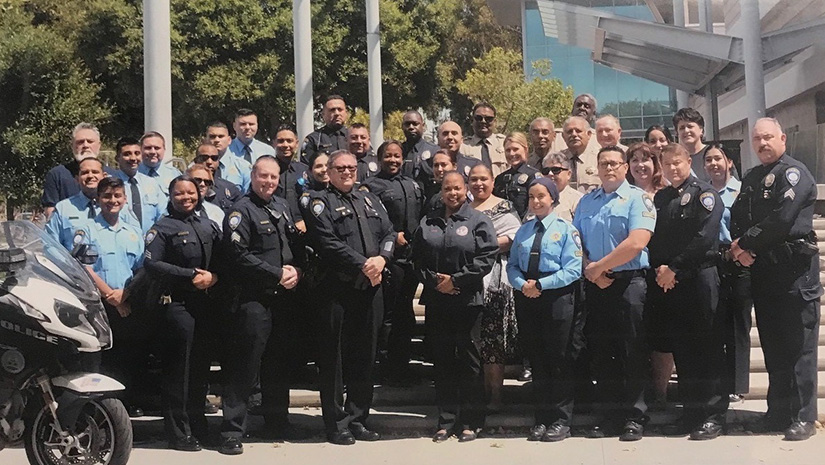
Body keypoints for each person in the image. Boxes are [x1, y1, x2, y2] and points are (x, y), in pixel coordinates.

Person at [732, 118, 821, 441]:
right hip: (764, 272)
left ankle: (803, 417)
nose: (762, 143)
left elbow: (782, 219)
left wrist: (746, 243)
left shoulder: (794, 173)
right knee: (773, 347)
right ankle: (778, 412)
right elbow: (737, 215)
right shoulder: (753, 177)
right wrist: (739, 247)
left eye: (768, 137)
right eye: (757, 139)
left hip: (795, 274)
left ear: (782, 138)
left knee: (800, 347)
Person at [303, 150, 396, 445]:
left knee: (365, 356)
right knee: (335, 359)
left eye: (351, 168)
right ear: (328, 171)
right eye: (340, 168)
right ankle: (336, 423)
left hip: (371, 287)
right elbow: (327, 242)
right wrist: (363, 264)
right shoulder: (320, 202)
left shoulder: (369, 199)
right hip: (336, 289)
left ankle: (358, 418)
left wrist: (382, 259)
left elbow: (390, 232)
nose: (347, 172)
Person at [218, 156, 305, 455]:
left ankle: (277, 421)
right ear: (253, 176)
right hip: (253, 299)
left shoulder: (281, 206)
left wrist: (297, 271)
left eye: (273, 177)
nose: (269, 182)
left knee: (278, 363)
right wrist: (277, 274)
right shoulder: (241, 210)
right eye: (263, 176)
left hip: (283, 299)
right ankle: (231, 430)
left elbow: (292, 247)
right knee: (245, 365)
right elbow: (237, 255)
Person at [574, 145, 656, 441]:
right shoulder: (586, 202)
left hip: (629, 283)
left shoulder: (639, 199)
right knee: (602, 352)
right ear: (597, 168)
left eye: (614, 163)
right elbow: (575, 241)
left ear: (625, 167)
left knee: (631, 351)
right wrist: (590, 270)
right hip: (596, 286)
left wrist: (599, 267)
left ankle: (634, 417)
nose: (609, 168)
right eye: (603, 163)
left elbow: (637, 242)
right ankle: (609, 416)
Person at [648, 144, 728, 440]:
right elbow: (655, 239)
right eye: (666, 164)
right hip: (671, 281)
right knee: (683, 349)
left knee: (706, 347)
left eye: (677, 162)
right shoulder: (663, 197)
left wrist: (675, 267)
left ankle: (713, 415)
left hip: (700, 278)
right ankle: (691, 413)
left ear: (688, 161)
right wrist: (660, 268)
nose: (672, 169)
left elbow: (704, 238)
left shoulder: (704, 194)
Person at [412, 171, 498, 443]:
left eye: (457, 188)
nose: (452, 193)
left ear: (466, 190)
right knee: (443, 361)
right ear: (441, 191)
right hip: (438, 300)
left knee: (469, 362)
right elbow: (415, 259)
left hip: (468, 301)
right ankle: (446, 420)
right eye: (447, 189)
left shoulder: (478, 221)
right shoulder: (429, 222)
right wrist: (436, 281)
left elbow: (487, 257)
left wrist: (457, 281)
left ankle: (471, 421)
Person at [143, 175, 222, 452]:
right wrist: (190, 276)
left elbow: (223, 258)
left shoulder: (207, 224)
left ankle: (199, 427)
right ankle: (179, 432)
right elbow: (152, 265)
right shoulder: (162, 228)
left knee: (200, 369)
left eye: (191, 192)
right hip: (177, 304)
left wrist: (214, 277)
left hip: (205, 305)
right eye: (179, 194)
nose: (186, 197)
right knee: (180, 370)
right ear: (170, 196)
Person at [507, 177, 583, 442]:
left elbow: (573, 269)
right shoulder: (523, 231)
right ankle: (542, 418)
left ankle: (561, 419)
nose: (536, 201)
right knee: (537, 359)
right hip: (528, 297)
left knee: (558, 359)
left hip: (557, 297)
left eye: (541, 196)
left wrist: (541, 284)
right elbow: (512, 265)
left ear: (552, 198)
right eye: (532, 196)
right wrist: (522, 285)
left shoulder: (565, 229)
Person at [73, 176, 147, 419]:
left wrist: (125, 295)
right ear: (98, 199)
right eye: (107, 196)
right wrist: (111, 296)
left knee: (129, 360)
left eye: (117, 196)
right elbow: (85, 268)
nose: (112, 201)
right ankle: (101, 416)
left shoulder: (134, 232)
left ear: (125, 200)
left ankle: (126, 415)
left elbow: (141, 268)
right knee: (104, 363)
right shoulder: (87, 231)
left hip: (128, 304)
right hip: (99, 307)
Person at [363, 141, 424, 385]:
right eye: (388, 156)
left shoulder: (412, 184)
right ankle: (384, 365)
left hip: (411, 259)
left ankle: (402, 365)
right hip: (388, 259)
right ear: (379, 159)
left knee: (405, 313)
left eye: (397, 156)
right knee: (387, 315)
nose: (393, 160)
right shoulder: (371, 186)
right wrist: (392, 236)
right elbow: (370, 222)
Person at [468, 164, 522, 411]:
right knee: (470, 341)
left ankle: (495, 396)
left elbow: (513, 237)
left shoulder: (504, 207)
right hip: (467, 281)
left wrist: (476, 247)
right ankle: (473, 397)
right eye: (474, 179)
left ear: (492, 181)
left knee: (493, 342)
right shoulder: (461, 207)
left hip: (494, 283)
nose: (479, 183)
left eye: (483, 179)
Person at [704, 142, 752, 403]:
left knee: (738, 324)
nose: (713, 164)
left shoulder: (741, 191)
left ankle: (737, 384)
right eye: (708, 160)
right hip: (713, 259)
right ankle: (718, 380)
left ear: (729, 162)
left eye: (718, 159)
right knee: (715, 323)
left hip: (738, 258)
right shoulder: (704, 193)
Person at [624, 142, 670, 409]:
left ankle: (661, 393)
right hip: (632, 274)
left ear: (655, 163)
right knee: (637, 335)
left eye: (646, 159)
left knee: (662, 336)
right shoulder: (622, 194)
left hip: (662, 272)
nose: (640, 165)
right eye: (634, 160)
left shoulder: (665, 193)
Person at [46, 157, 111, 250]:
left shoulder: (117, 207)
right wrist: (67, 263)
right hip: (73, 264)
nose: (90, 176)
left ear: (104, 176)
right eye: (85, 173)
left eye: (95, 172)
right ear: (77, 179)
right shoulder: (63, 208)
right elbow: (50, 245)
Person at [42, 122, 104, 219]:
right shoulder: (57, 175)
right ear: (72, 146)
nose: (85, 145)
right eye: (80, 142)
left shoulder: (112, 175)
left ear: (99, 145)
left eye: (90, 141)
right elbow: (51, 214)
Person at [111, 137, 166, 234]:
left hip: (149, 241)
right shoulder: (110, 183)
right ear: (117, 158)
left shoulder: (152, 183)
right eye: (127, 154)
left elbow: (162, 215)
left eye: (137, 153)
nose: (133, 158)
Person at [413, 122, 479, 196]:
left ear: (461, 139)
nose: (450, 137)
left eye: (454, 133)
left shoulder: (474, 165)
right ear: (438, 138)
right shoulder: (426, 165)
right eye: (445, 134)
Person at [493, 132, 541, 219]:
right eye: (508, 150)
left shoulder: (533, 176)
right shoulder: (500, 179)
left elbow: (537, 206)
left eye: (516, 149)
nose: (511, 153)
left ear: (526, 150)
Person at [271, 126, 309, 231]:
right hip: (276, 227)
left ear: (296, 143)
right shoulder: (266, 170)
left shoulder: (304, 170)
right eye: (281, 141)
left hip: (304, 230)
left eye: (289, 141)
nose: (285, 145)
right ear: (273, 143)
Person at [193, 142, 243, 211]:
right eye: (204, 158)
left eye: (214, 158)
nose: (209, 162)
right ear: (195, 161)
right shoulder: (184, 187)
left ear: (218, 161)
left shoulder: (230, 189)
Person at [301, 95, 349, 164]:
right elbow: (305, 166)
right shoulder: (314, 139)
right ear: (323, 115)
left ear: (346, 113)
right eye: (332, 110)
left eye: (340, 109)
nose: (337, 113)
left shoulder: (355, 137)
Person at [206, 121, 253, 193]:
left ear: (229, 140)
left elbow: (248, 196)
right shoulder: (196, 167)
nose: (217, 140)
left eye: (221, 136)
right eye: (212, 137)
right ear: (206, 140)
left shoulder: (243, 167)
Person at [462, 103, 507, 176]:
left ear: (495, 122)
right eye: (478, 118)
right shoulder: (463, 147)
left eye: (488, 119)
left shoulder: (505, 143)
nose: (483, 121)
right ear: (472, 121)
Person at [560, 116, 601, 193]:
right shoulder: (557, 160)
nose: (574, 134)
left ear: (589, 134)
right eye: (569, 131)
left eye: (578, 131)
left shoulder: (599, 158)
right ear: (563, 136)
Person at [541, 152, 583, 222]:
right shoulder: (536, 199)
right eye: (546, 171)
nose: (550, 174)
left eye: (556, 170)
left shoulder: (579, 200)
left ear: (569, 174)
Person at [139, 131, 182, 196]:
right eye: (148, 148)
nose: (152, 152)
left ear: (164, 149)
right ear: (140, 150)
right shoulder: (133, 175)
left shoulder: (174, 174)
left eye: (157, 148)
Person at [186, 164, 226, 229]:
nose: (202, 184)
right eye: (197, 180)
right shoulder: (177, 211)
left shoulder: (217, 212)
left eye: (207, 182)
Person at [401, 110, 439, 176]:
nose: (411, 127)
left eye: (415, 124)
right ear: (402, 126)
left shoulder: (434, 151)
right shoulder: (398, 151)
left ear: (423, 126)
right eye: (407, 124)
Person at [421, 150, 458, 217]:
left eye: (443, 165)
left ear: (454, 166)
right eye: (436, 165)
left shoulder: (461, 191)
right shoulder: (429, 191)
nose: (439, 169)